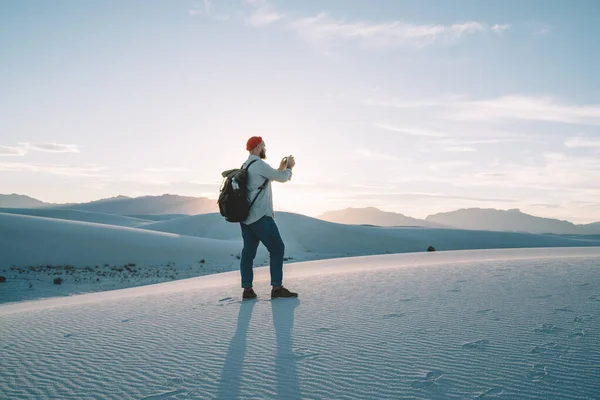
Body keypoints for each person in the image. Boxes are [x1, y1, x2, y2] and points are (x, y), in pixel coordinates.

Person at [239, 136, 298, 300]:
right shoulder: (258, 164)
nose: (265, 149)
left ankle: (247, 290)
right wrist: (290, 168)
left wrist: (281, 167)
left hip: (246, 219)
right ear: (258, 147)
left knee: (248, 253)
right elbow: (282, 177)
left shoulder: (246, 165)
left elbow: (270, 176)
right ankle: (277, 288)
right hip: (260, 216)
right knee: (277, 248)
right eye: (264, 146)